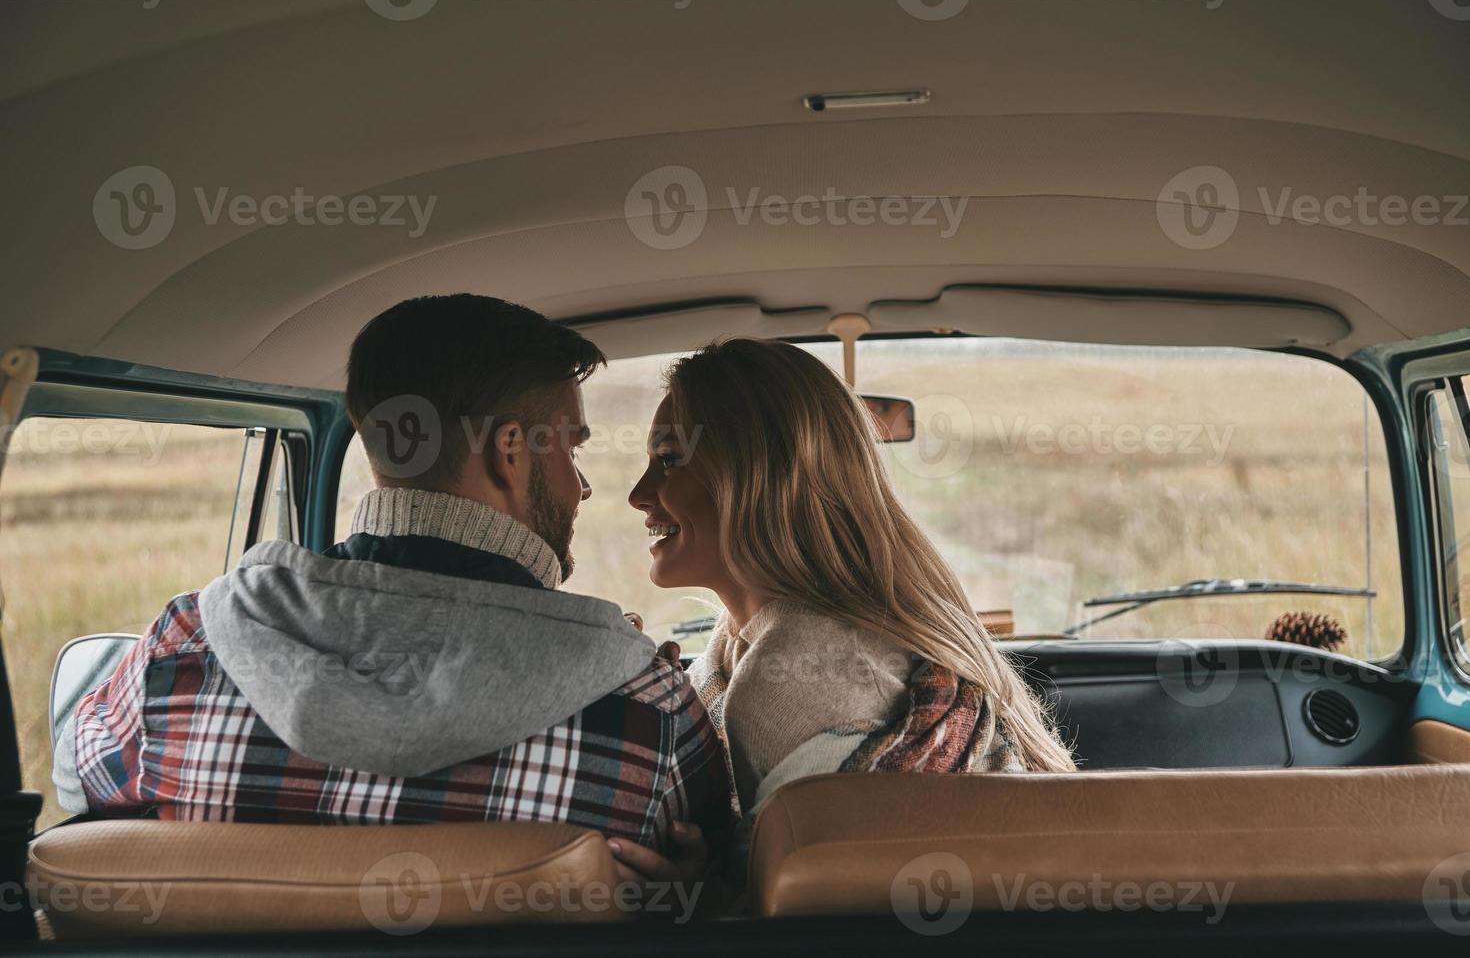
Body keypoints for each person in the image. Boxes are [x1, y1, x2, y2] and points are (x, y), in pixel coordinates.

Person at [53, 295, 730, 859]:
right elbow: (709, 889)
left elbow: (77, 807)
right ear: (511, 453)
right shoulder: (649, 712)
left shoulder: (178, 651)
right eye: (572, 446)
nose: (580, 487)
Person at [628, 338, 1076, 821]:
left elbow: (813, 891)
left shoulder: (787, 676)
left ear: (760, 475)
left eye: (670, 460)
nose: (638, 494)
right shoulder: (744, 647)